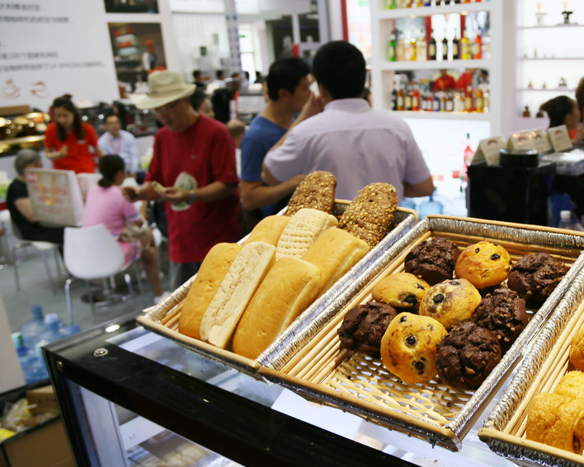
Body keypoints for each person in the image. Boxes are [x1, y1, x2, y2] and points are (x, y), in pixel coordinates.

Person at [263, 41, 433, 201]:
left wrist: (302, 118)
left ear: (321, 88)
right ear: (364, 81)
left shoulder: (305, 132)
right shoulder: (397, 127)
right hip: (388, 229)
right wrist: (383, 192)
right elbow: (424, 188)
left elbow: (269, 175)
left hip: (329, 231)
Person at [129, 70, 240, 290]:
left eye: (169, 106)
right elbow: (155, 182)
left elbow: (227, 185)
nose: (163, 114)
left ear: (186, 100)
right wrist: (141, 193)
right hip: (181, 242)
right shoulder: (162, 137)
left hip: (218, 240)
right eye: (158, 108)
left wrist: (190, 195)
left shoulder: (216, 132)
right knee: (183, 310)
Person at [81, 155, 165, 301]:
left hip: (88, 250)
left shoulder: (93, 190)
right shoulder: (121, 194)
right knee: (150, 248)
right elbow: (139, 222)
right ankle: (158, 295)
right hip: (112, 251)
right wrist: (145, 200)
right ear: (119, 174)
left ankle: (148, 272)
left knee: (147, 237)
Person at [240, 56, 314, 218]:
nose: (310, 94)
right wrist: (294, 183)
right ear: (285, 94)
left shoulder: (295, 120)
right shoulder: (255, 136)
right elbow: (249, 198)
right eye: (305, 88)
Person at [6, 149, 65, 245]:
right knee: (68, 232)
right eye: (36, 166)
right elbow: (32, 216)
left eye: (40, 166)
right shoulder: (17, 188)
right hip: (34, 229)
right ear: (23, 166)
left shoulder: (33, 183)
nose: (39, 169)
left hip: (46, 224)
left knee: (71, 228)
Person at [44, 95, 103, 174]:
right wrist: (57, 155)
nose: (62, 120)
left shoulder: (87, 129)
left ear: (73, 113)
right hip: (64, 174)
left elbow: (99, 151)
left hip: (85, 172)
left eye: (65, 115)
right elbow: (48, 154)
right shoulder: (51, 130)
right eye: (58, 116)